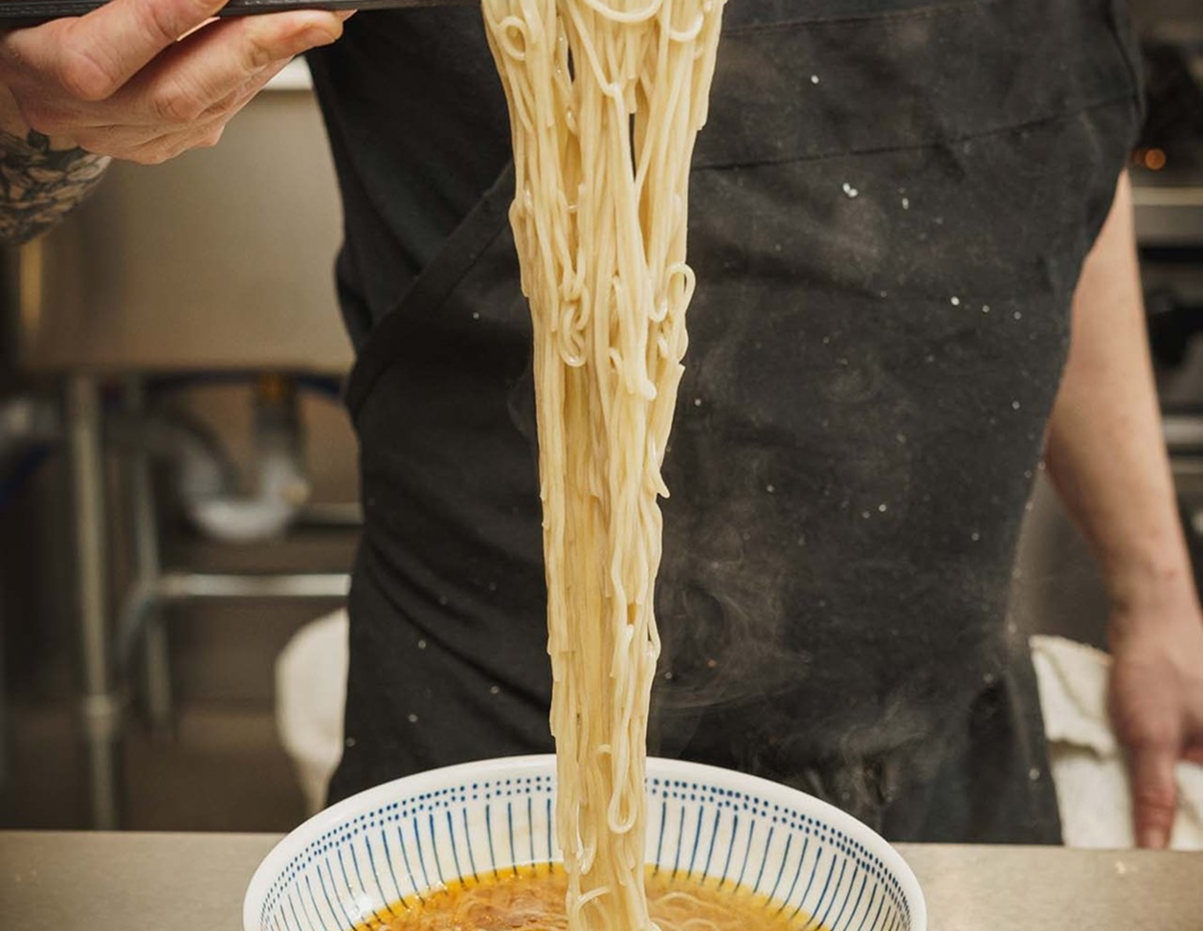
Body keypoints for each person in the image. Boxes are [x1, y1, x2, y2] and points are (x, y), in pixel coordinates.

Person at [2, 0, 1201, 848]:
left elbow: (1047, 176)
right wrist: (28, 118)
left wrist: (1155, 586)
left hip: (947, 725)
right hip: (500, 744)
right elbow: (30, 143)